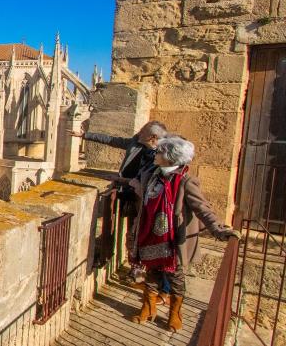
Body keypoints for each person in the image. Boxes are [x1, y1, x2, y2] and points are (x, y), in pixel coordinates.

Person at [127, 136, 239, 331]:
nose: (156, 154)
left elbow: (202, 208)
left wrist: (218, 229)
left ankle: (175, 313)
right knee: (152, 271)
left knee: (176, 277)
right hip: (149, 233)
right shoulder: (151, 173)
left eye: (160, 152)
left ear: (171, 157)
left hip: (171, 239)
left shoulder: (185, 181)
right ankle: (148, 307)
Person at [70, 121, 167, 281]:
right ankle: (136, 268)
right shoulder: (136, 142)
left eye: (143, 131)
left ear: (153, 137)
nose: (139, 132)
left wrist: (121, 179)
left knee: (144, 234)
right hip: (132, 195)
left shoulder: (163, 155)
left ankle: (151, 272)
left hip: (150, 201)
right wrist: (85, 135)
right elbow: (112, 140)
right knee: (132, 232)